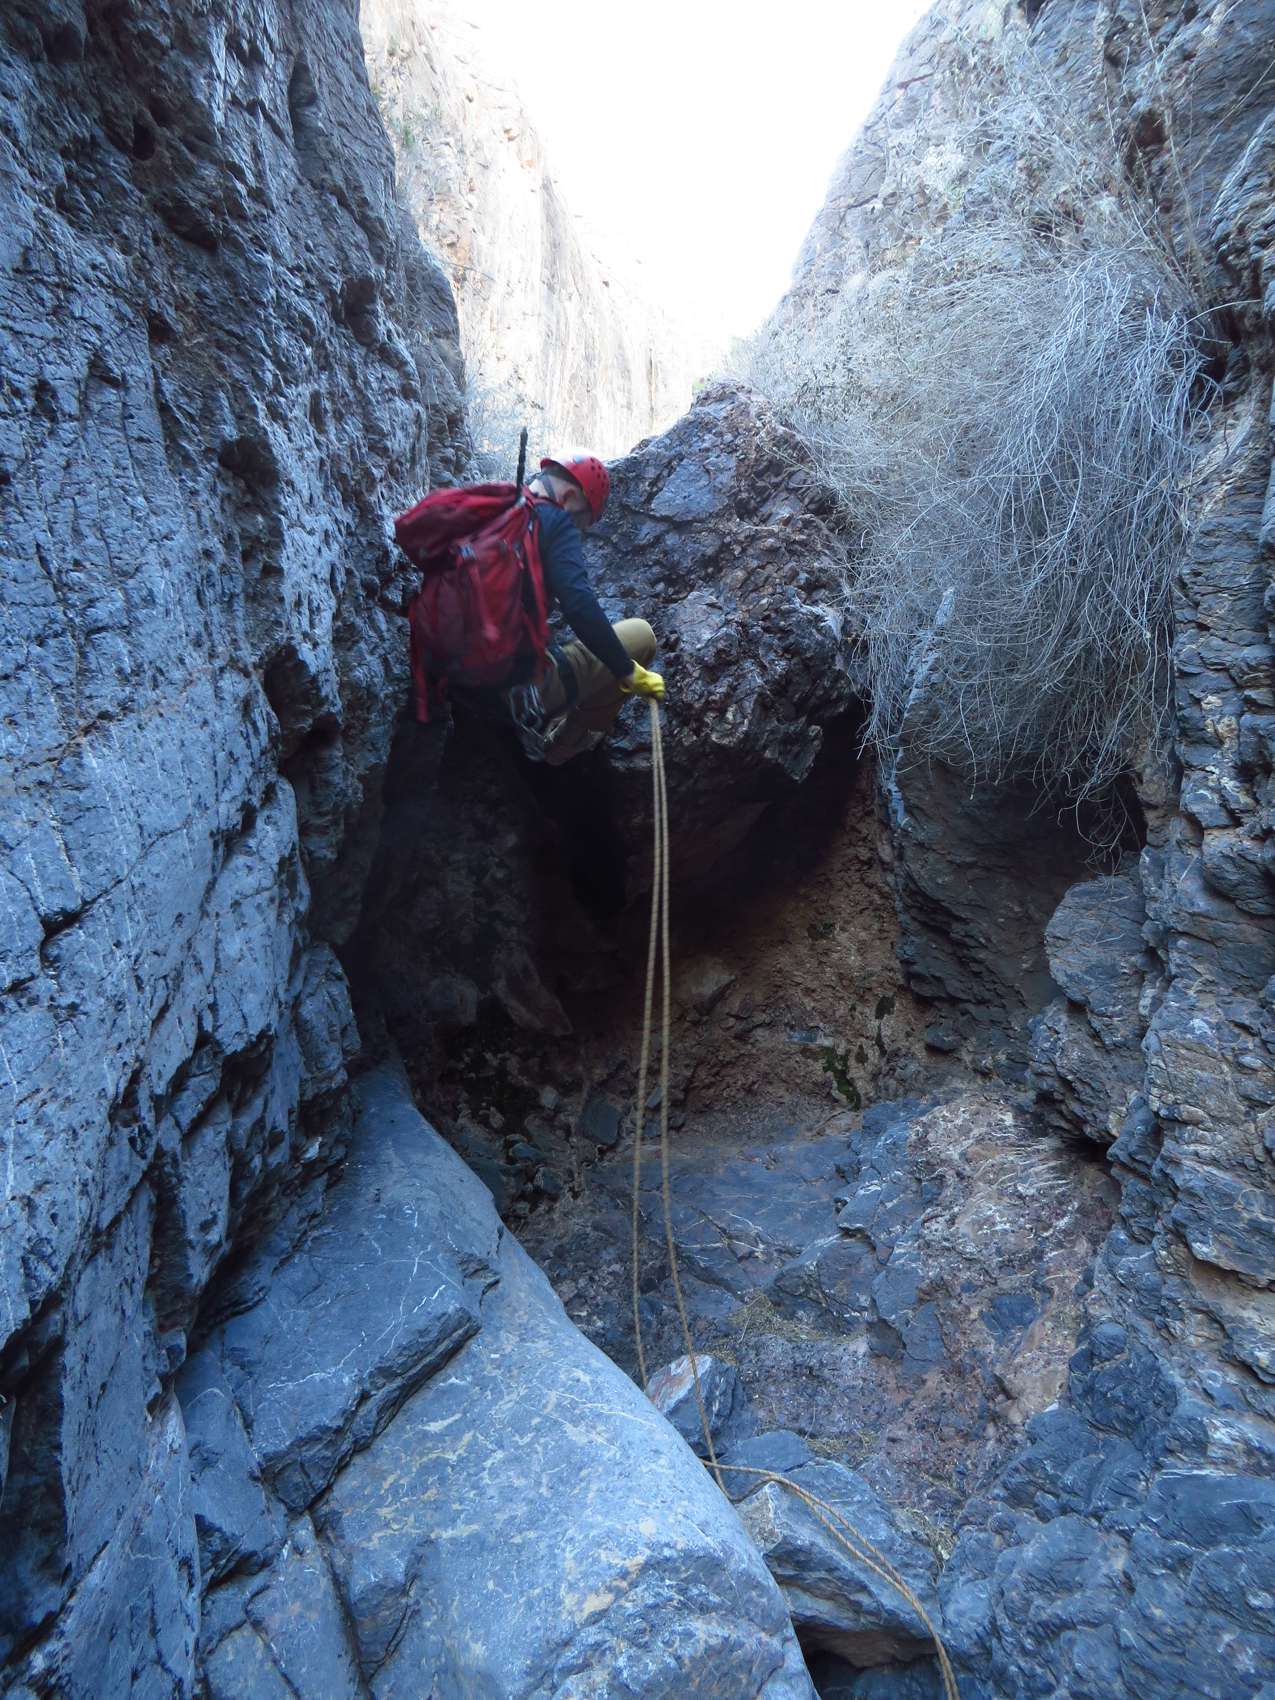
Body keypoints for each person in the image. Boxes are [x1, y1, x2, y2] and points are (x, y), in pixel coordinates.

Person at [511, 453, 665, 765]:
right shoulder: (554, 521)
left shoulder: (497, 507)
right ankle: (560, 749)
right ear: (569, 496)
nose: (579, 532)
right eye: (582, 522)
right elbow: (579, 605)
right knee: (641, 636)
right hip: (511, 691)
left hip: (452, 674)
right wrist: (626, 670)